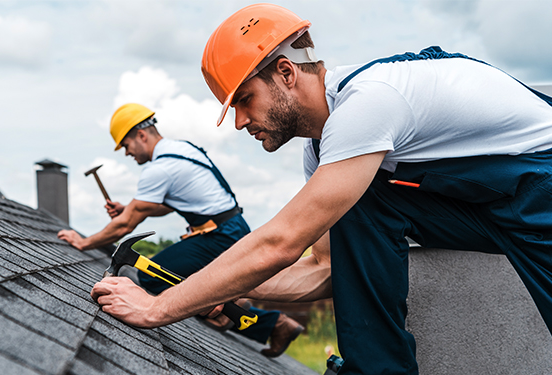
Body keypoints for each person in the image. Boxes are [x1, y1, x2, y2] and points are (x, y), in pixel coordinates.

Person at [90, 3, 552, 374]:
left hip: (542, 189)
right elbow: (327, 270)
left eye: (245, 99)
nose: (240, 121)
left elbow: (280, 242)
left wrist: (158, 307)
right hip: (492, 205)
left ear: (287, 73)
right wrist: (210, 292)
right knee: (360, 203)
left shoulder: (368, 103)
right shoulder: (325, 154)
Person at [58, 103, 304, 357]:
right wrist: (129, 208)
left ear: (141, 135)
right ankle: (249, 314)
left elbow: (125, 225)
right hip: (230, 228)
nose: (127, 153)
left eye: (126, 145)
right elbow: (165, 206)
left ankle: (240, 313)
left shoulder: (159, 168)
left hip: (218, 236)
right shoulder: (182, 150)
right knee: (186, 280)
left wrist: (84, 242)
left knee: (153, 276)